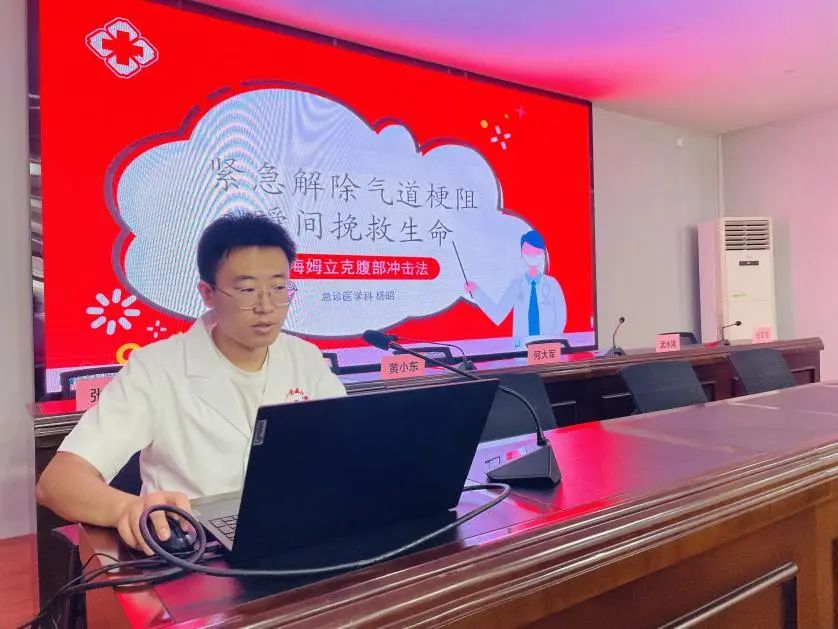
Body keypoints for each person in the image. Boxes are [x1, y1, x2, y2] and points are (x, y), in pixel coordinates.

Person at [37, 212, 345, 554]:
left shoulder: (305, 358)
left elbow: (346, 449)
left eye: (278, 288)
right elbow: (58, 482)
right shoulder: (156, 368)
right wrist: (128, 509)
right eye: (247, 290)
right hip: (195, 552)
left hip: (298, 537)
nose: (266, 307)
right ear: (207, 293)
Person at [465, 230, 567, 342]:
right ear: (522, 255)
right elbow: (498, 314)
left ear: (543, 254)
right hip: (522, 347)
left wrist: (552, 341)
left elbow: (561, 318)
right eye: (528, 252)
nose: (532, 255)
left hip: (549, 347)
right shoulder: (516, 284)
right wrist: (477, 292)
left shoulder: (552, 284)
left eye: (536, 252)